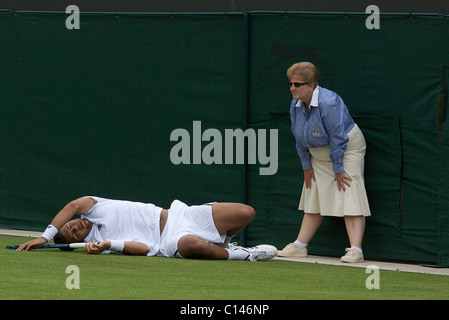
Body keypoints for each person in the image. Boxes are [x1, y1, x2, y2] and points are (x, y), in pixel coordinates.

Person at [277, 62, 371, 263]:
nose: (292, 88)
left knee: (349, 191)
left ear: (311, 86)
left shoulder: (329, 102)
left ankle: (356, 250)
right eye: (291, 83)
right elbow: (299, 137)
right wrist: (306, 166)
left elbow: (338, 138)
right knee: (314, 193)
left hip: (347, 150)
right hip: (318, 155)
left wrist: (338, 169)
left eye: (297, 84)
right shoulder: (295, 104)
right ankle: (300, 246)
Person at [16, 196, 277, 261]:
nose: (77, 226)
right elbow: (144, 249)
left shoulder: (92, 207)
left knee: (246, 213)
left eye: (72, 223)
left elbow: (73, 204)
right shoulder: (101, 243)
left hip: (180, 214)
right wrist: (109, 245)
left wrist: (45, 236)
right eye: (75, 232)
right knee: (195, 246)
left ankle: (219, 245)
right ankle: (245, 254)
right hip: (169, 241)